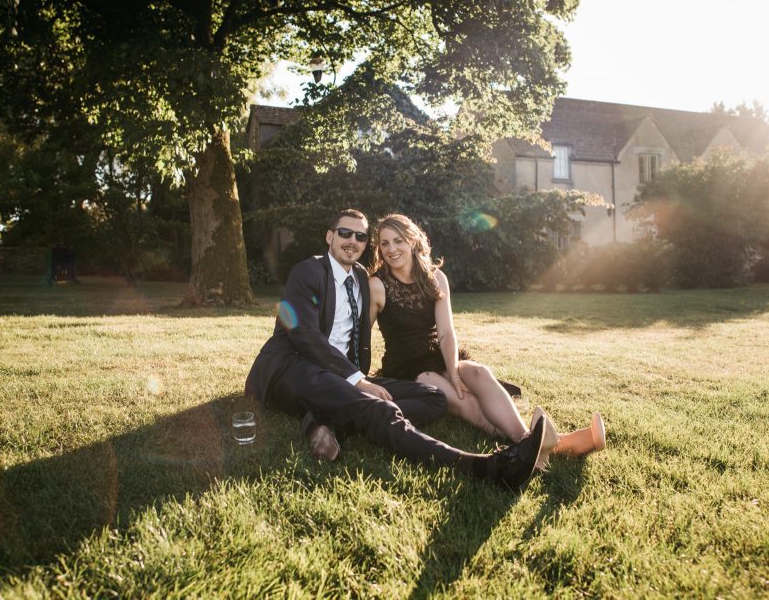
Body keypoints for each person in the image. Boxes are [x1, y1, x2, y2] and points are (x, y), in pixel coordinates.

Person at [245, 209, 546, 490]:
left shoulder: (362, 277)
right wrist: (358, 380)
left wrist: (358, 377)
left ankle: (330, 419)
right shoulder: (308, 271)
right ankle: (485, 468)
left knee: (435, 399)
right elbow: (304, 334)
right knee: (380, 408)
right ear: (330, 236)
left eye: (360, 236)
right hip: (294, 366)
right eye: (344, 233)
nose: (352, 241)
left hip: (340, 374)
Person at [368, 213, 605, 471]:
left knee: (480, 373)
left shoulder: (435, 278)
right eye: (384, 243)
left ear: (413, 241)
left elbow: (446, 331)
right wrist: (358, 377)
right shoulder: (377, 285)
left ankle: (531, 442)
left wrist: (455, 373)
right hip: (407, 366)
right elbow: (362, 335)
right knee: (458, 399)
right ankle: (544, 444)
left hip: (438, 352)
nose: (391, 249)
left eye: (398, 241)